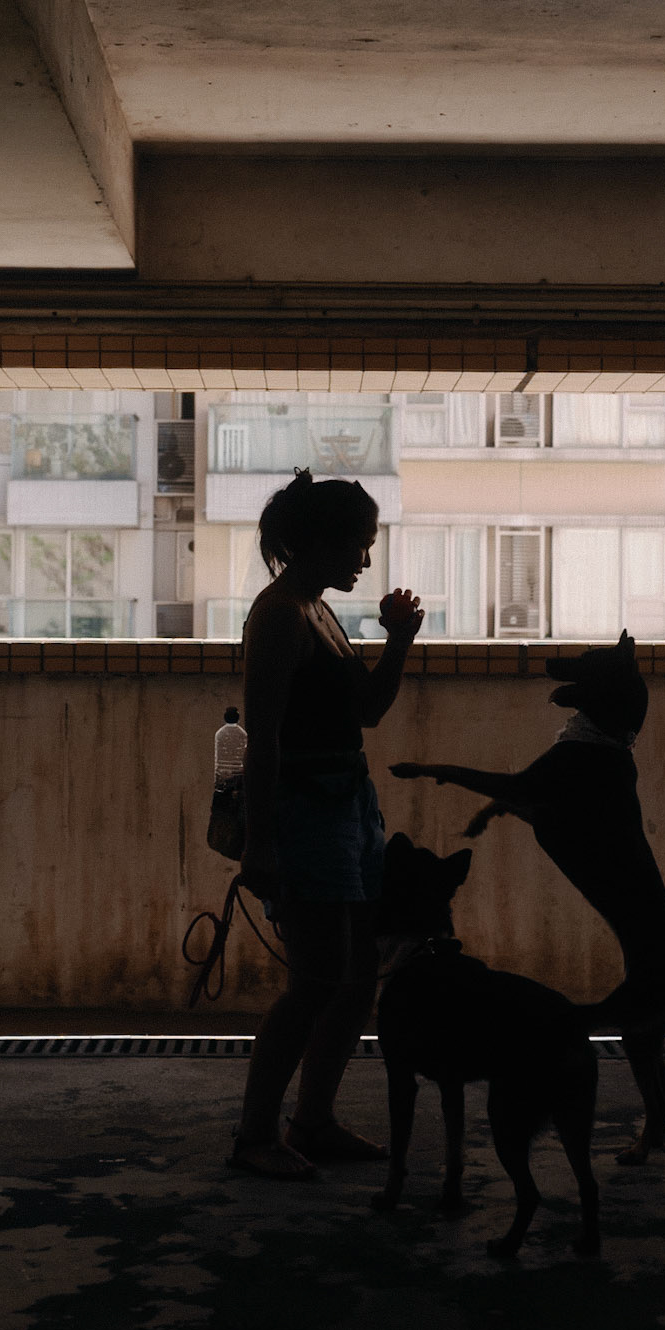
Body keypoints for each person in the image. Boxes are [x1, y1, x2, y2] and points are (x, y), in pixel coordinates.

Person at [232, 468, 423, 1179]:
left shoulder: (318, 608)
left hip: (346, 807)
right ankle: (255, 1135)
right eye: (360, 545)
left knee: (353, 980)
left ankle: (311, 1122)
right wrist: (260, 841)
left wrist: (398, 640)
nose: (366, 561)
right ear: (322, 541)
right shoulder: (280, 612)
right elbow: (265, 734)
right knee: (315, 982)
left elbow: (366, 711)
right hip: (306, 813)